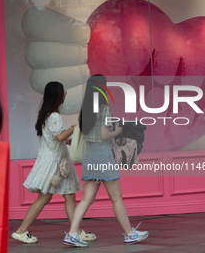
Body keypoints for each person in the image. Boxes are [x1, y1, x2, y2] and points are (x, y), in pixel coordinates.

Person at [63, 75, 149, 247]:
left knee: (86, 199)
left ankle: (72, 234)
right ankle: (130, 234)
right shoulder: (103, 108)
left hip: (90, 157)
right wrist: (118, 130)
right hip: (103, 156)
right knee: (116, 198)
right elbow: (104, 135)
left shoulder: (85, 110)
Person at [11, 81, 96, 243]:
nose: (65, 93)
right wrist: (75, 126)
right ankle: (21, 230)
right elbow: (59, 137)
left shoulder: (47, 114)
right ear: (57, 95)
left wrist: (69, 140)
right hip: (55, 164)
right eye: (63, 91)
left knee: (69, 196)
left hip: (57, 162)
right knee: (45, 198)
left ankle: (76, 231)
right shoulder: (54, 115)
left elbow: (56, 139)